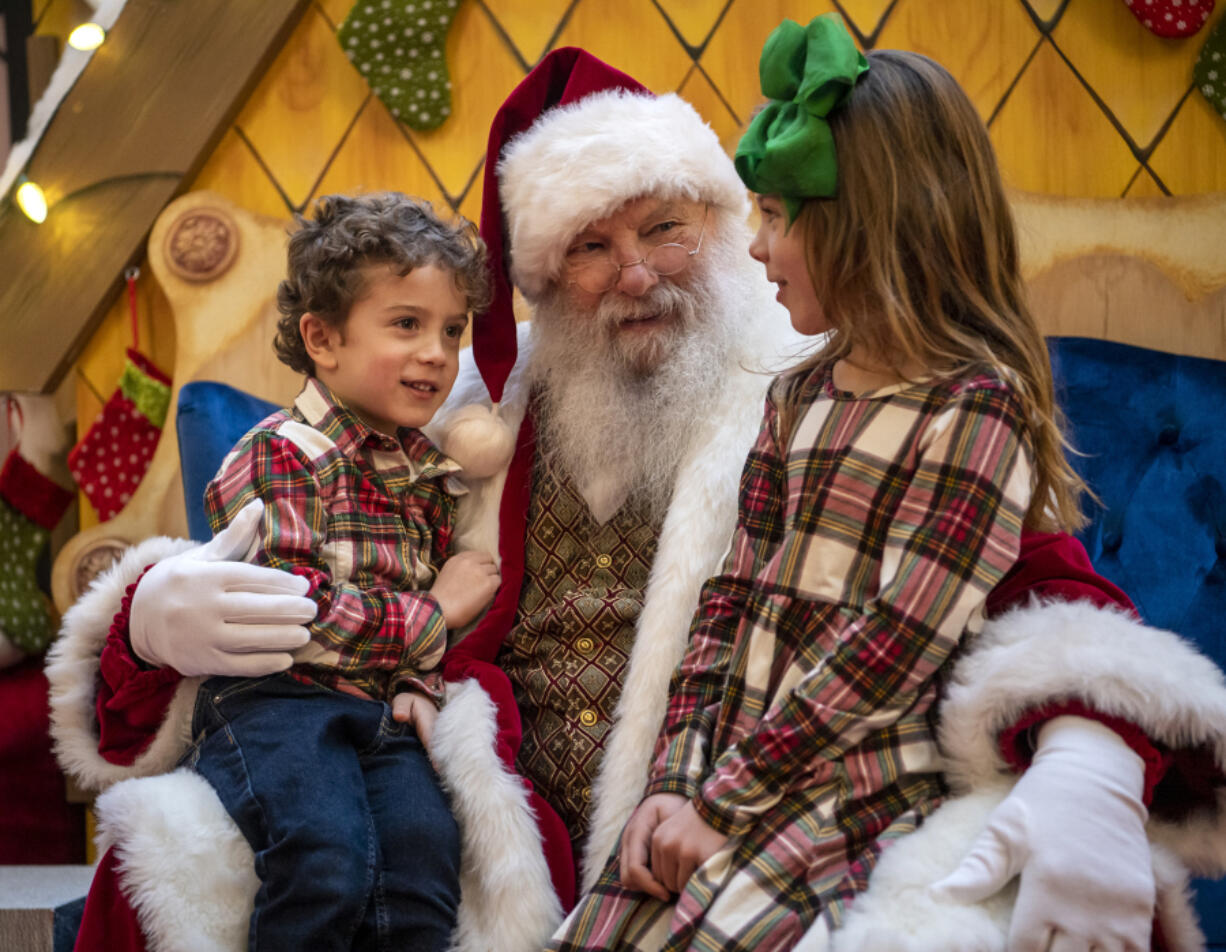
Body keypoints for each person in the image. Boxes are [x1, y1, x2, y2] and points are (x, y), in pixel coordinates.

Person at [46, 43, 1226, 952]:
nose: (638, 271)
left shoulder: (829, 380)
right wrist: (154, 609)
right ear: (541, 283)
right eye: (589, 248)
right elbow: (293, 534)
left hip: (763, 793)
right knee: (173, 859)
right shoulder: (460, 408)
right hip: (477, 811)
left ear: (729, 223)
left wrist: (1089, 750)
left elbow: (1034, 587)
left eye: (664, 225)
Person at [541, 15, 1132, 950]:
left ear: (871, 227)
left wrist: (727, 801)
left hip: (841, 788)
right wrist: (671, 782)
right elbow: (726, 602)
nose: (758, 247)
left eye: (775, 218)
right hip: (730, 772)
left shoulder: (976, 408)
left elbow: (892, 646)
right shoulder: (795, 393)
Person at [182, 192, 498, 951]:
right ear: (322, 338)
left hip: (378, 710)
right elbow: (296, 612)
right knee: (325, 860)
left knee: (424, 869)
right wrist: (437, 617)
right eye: (407, 324)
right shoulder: (280, 454)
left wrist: (423, 674)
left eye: (452, 331)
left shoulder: (425, 472)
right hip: (276, 702)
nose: (437, 352)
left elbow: (421, 614)